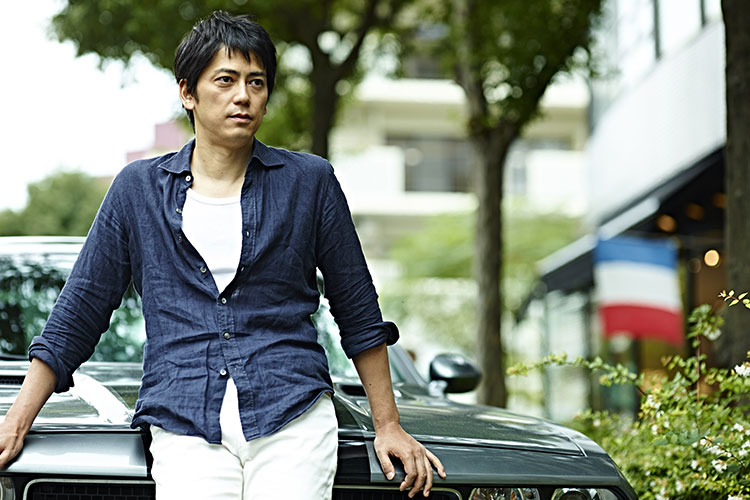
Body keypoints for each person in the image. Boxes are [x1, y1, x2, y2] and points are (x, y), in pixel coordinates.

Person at [0, 10, 445, 500]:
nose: (243, 96)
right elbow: (79, 312)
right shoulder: (137, 191)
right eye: (226, 80)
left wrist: (388, 425)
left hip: (291, 408)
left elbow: (356, 306)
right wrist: (15, 421)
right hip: (183, 415)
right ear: (187, 92)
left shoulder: (310, 183)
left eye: (257, 82)